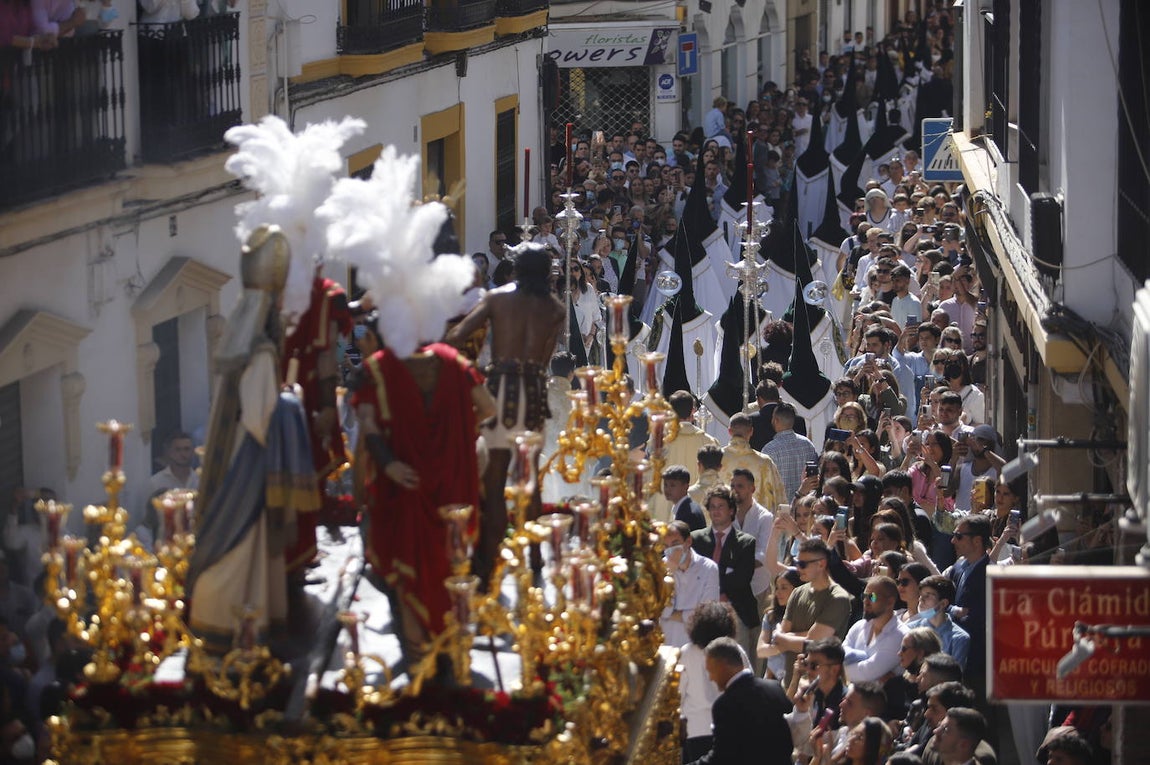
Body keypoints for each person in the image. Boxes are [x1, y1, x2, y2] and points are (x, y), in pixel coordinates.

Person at [188, 225, 322, 654]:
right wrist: (294, 401)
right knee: (241, 544)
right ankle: (234, 627)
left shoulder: (239, 344)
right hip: (250, 461)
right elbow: (263, 416)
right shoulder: (262, 352)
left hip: (229, 455)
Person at [447, 243, 567, 585]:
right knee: (529, 480)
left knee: (495, 478)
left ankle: (489, 561)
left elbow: (457, 336)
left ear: (514, 269)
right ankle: (534, 561)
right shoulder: (555, 309)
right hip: (533, 395)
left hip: (498, 390)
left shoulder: (496, 298)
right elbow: (543, 361)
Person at [685, 636, 793, 765]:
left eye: (711, 671)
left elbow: (721, 757)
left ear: (722, 666)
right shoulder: (774, 688)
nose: (711, 678)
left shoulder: (724, 706)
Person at [761, 538, 853, 685]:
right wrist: (798, 637)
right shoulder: (797, 593)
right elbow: (781, 641)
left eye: (803, 564)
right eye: (797, 563)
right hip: (790, 682)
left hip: (820, 686)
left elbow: (811, 644)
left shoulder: (838, 598)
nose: (798, 568)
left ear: (821, 564)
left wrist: (782, 636)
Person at [690, 486, 759, 657]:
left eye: (720, 506)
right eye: (712, 506)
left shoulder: (746, 543)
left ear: (731, 510)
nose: (716, 511)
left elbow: (741, 580)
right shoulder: (695, 539)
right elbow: (693, 575)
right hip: (702, 612)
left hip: (736, 613)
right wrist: (724, 574)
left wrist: (709, 578)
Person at [679, 601, 738, 762]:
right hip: (729, 729)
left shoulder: (686, 652)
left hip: (695, 729)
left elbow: (678, 694)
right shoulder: (735, 651)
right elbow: (746, 686)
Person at [660, 521, 719, 648]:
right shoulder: (660, 569)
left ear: (688, 542)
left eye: (675, 544)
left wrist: (674, 615)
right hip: (666, 643)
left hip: (694, 645)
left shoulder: (709, 568)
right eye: (666, 546)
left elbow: (706, 614)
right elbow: (661, 610)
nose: (670, 551)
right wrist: (669, 574)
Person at [842, 576, 908, 683]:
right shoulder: (859, 626)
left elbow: (866, 673)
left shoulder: (900, 636)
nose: (866, 602)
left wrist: (836, 670)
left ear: (890, 602)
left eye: (872, 597)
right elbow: (840, 653)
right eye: (864, 596)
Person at [721, 413, 786, 512]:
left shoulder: (717, 459)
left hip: (724, 521)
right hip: (758, 523)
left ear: (729, 431)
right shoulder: (765, 462)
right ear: (751, 431)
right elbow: (779, 499)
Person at [910, 576, 970, 670]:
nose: (921, 600)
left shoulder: (959, 638)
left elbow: (954, 676)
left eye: (928, 596)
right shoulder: (910, 629)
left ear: (943, 603)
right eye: (921, 595)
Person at [764, 402, 820, 500]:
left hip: (781, 507)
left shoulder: (769, 449)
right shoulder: (808, 444)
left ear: (776, 420)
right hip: (805, 505)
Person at [661, 466, 707, 531]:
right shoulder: (683, 507)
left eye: (672, 485)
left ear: (685, 487)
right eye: (665, 485)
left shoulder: (689, 514)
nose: (667, 489)